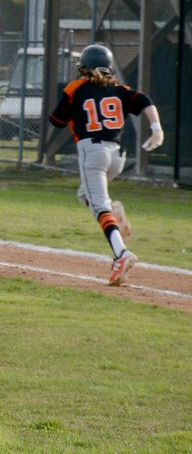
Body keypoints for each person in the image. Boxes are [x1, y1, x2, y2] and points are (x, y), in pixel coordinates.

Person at [49, 43, 164, 286]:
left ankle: (121, 254)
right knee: (86, 195)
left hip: (93, 152)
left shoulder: (75, 89)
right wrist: (156, 127)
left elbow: (57, 120)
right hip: (116, 156)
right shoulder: (119, 89)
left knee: (99, 208)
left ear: (85, 68)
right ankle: (116, 212)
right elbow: (144, 100)